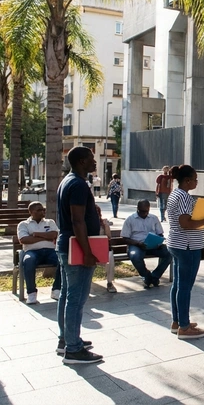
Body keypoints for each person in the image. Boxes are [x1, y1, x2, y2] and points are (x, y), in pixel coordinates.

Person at [56, 146, 103, 364]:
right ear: (82, 161)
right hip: (76, 247)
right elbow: (77, 220)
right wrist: (87, 252)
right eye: (92, 158)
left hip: (66, 244)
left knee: (67, 295)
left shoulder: (68, 180)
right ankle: (73, 350)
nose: (95, 161)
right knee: (76, 298)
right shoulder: (77, 184)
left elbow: (77, 215)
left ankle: (66, 340)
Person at [166, 164, 204, 339]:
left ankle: (177, 321)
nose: (196, 182)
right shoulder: (185, 197)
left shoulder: (174, 194)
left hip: (176, 243)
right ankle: (185, 328)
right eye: (195, 179)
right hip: (187, 246)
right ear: (187, 181)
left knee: (178, 285)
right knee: (185, 286)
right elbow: (185, 223)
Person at [121, 200, 172, 289]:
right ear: (137, 209)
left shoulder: (154, 218)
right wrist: (137, 243)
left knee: (169, 253)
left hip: (153, 245)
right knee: (135, 256)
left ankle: (155, 276)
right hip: (136, 245)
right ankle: (147, 275)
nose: (143, 213)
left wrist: (158, 241)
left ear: (149, 209)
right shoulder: (130, 219)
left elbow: (160, 233)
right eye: (141, 211)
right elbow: (125, 238)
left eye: (145, 211)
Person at [17, 202, 61, 305]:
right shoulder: (23, 224)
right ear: (31, 212)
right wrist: (45, 236)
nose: (42, 212)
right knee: (28, 260)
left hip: (50, 251)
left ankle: (56, 290)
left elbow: (54, 234)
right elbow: (24, 240)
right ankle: (31, 293)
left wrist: (36, 235)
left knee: (62, 260)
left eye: (43, 210)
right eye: (39, 210)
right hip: (32, 252)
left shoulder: (50, 222)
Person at [96, 205, 117, 293]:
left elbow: (109, 237)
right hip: (88, 250)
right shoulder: (84, 223)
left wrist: (106, 226)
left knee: (110, 256)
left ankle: (109, 282)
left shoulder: (102, 223)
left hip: (101, 250)